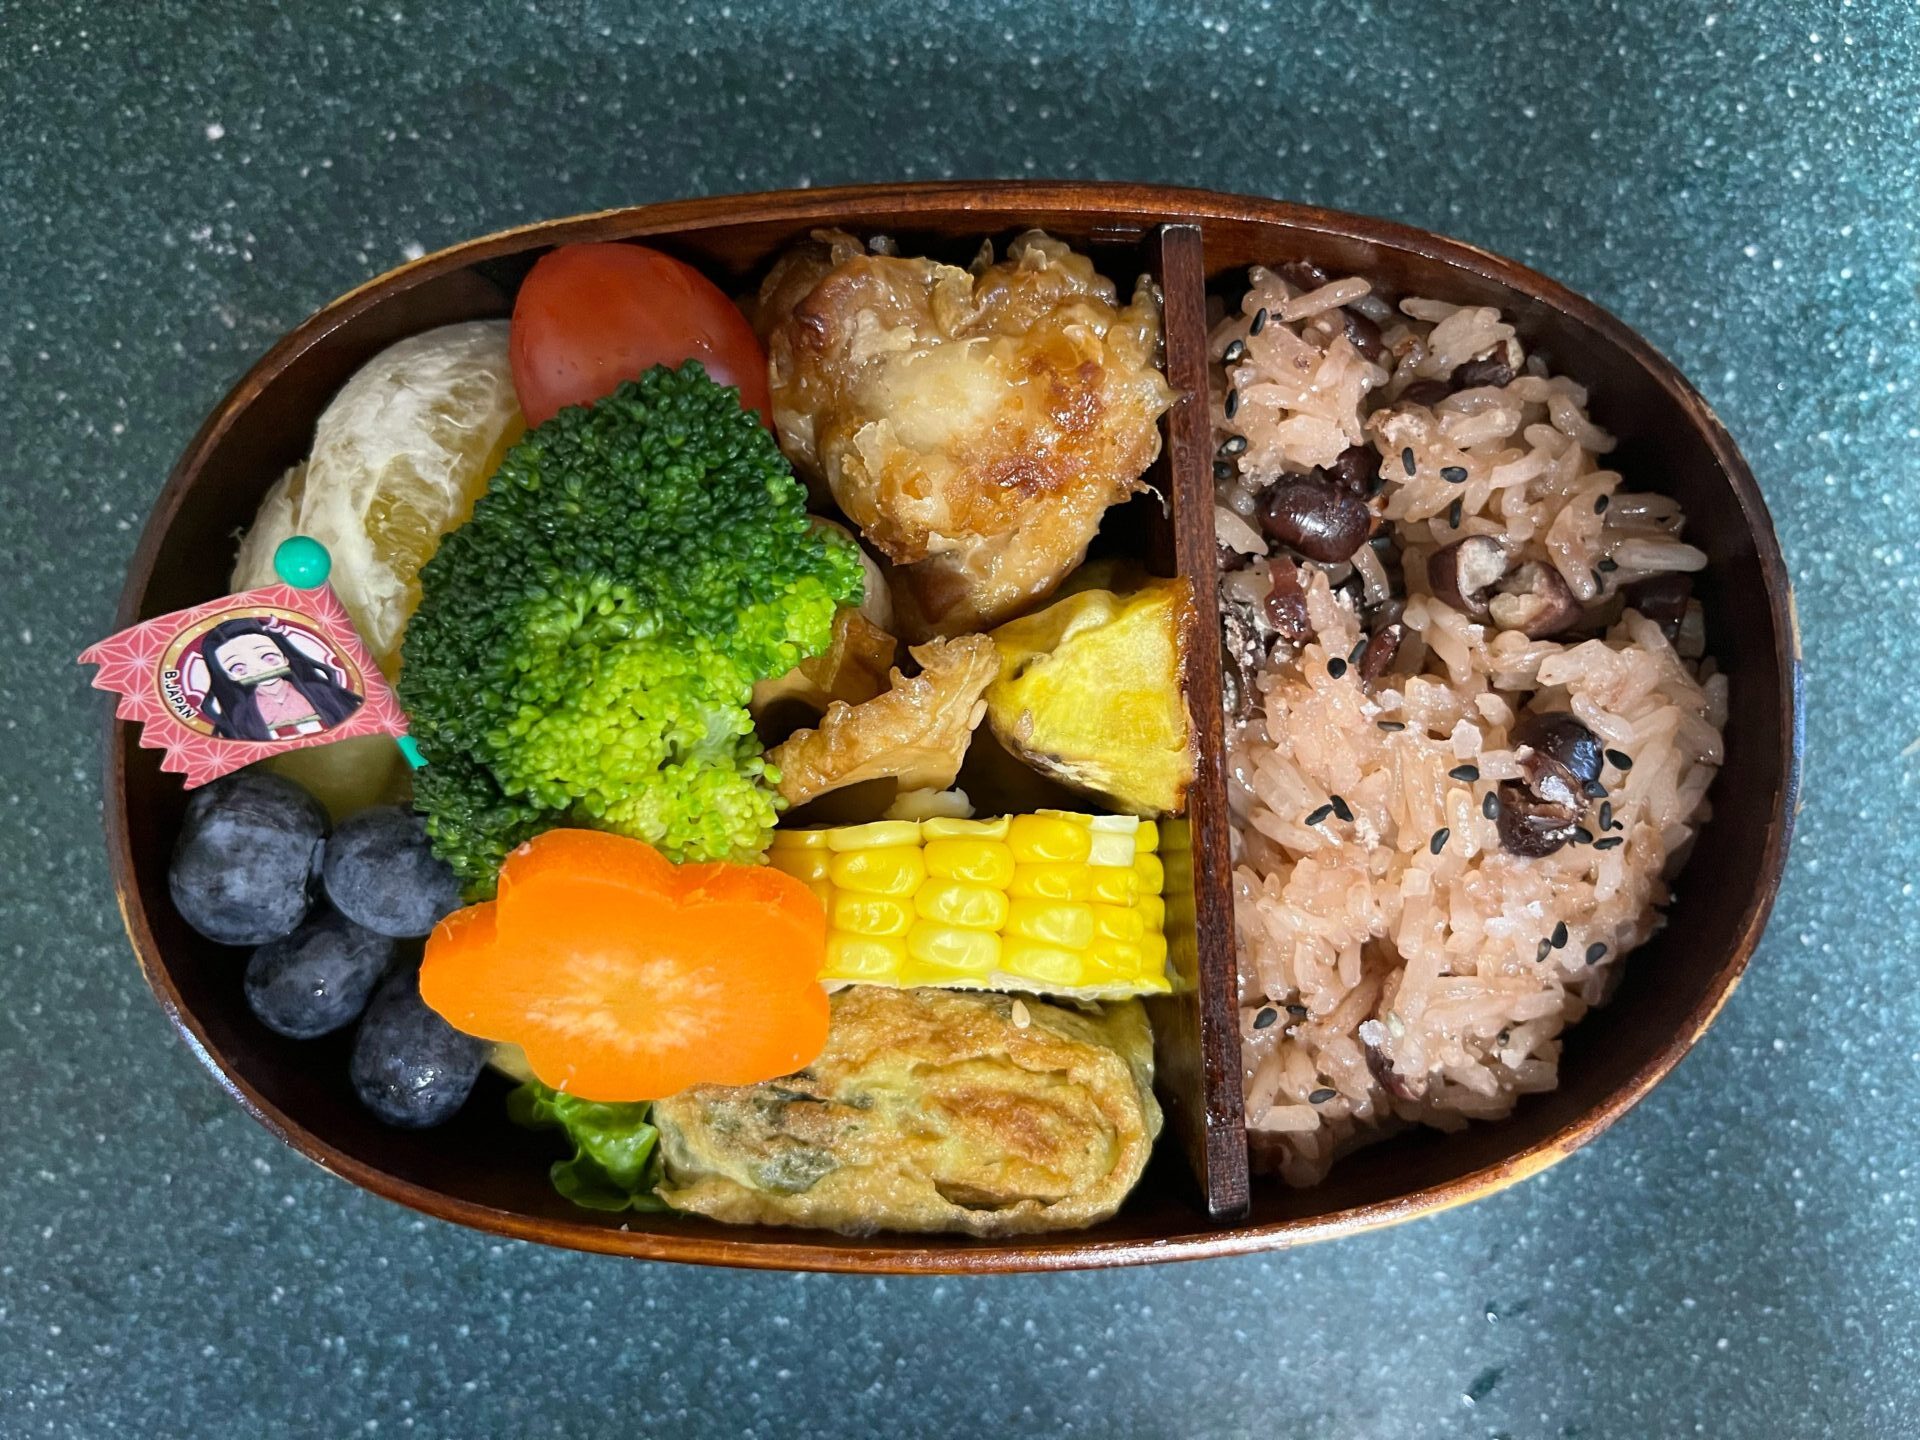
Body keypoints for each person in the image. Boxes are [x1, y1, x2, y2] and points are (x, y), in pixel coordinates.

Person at [197, 617, 363, 742]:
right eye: (239, 667)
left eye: (268, 657)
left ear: (285, 657)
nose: (258, 669)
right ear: (230, 676)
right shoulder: (241, 715)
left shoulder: (323, 693)